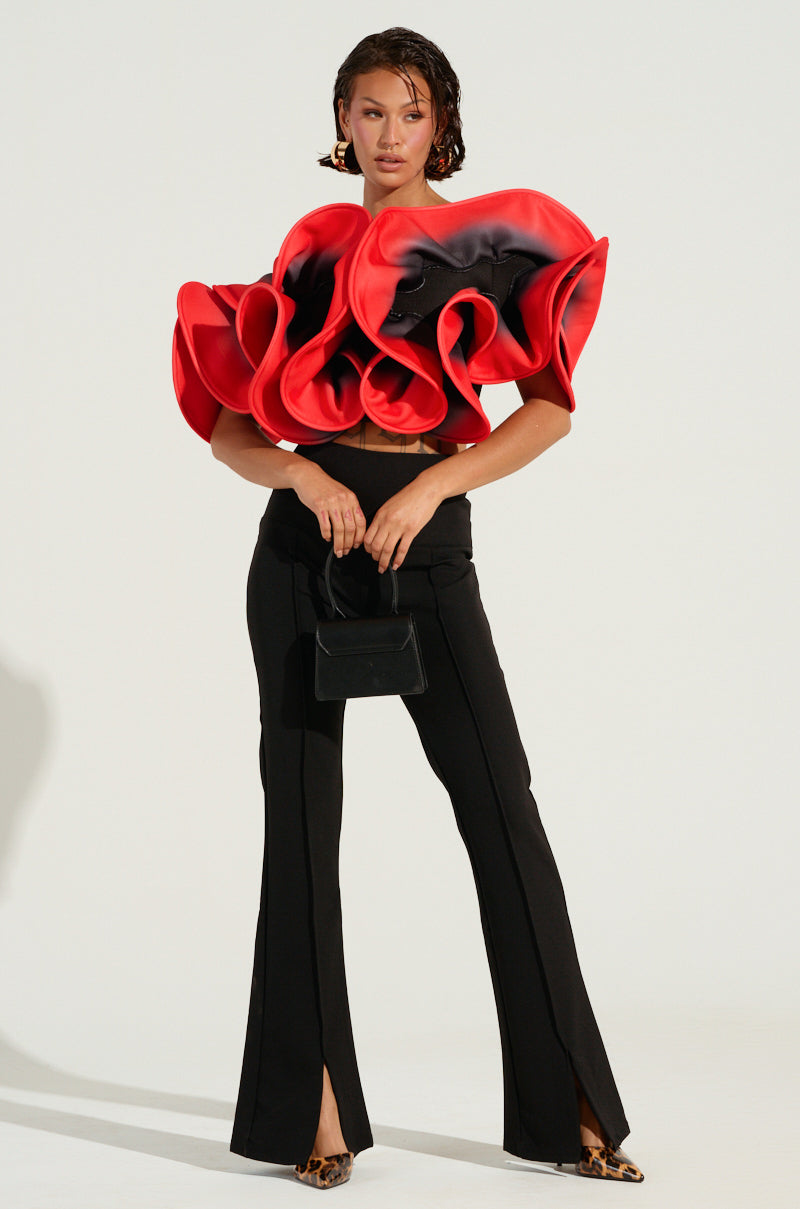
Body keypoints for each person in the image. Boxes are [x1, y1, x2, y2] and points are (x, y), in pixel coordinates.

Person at [172, 26, 644, 1190]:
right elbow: (235, 425)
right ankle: (312, 1114)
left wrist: (434, 482)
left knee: (500, 810)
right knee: (301, 826)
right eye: (367, 111)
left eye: (409, 112)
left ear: (442, 124)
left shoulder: (488, 242)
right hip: (302, 553)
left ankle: (570, 1104)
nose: (387, 135)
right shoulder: (309, 250)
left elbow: (547, 408)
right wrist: (305, 473)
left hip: (427, 552)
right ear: (339, 122)